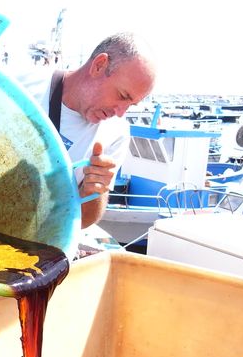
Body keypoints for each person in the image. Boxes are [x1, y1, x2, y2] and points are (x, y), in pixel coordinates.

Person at [18, 32, 157, 228]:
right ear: (99, 65)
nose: (120, 112)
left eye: (131, 105)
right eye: (122, 95)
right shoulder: (21, 86)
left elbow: (83, 221)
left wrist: (95, 191)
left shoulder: (116, 133)